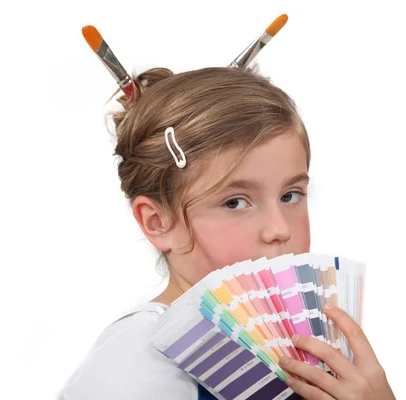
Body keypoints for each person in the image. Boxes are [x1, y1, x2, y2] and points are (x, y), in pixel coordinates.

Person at [57, 66, 395, 399]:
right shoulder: (140, 360)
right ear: (158, 222)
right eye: (235, 202)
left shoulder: (313, 348)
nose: (279, 229)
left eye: (290, 195)